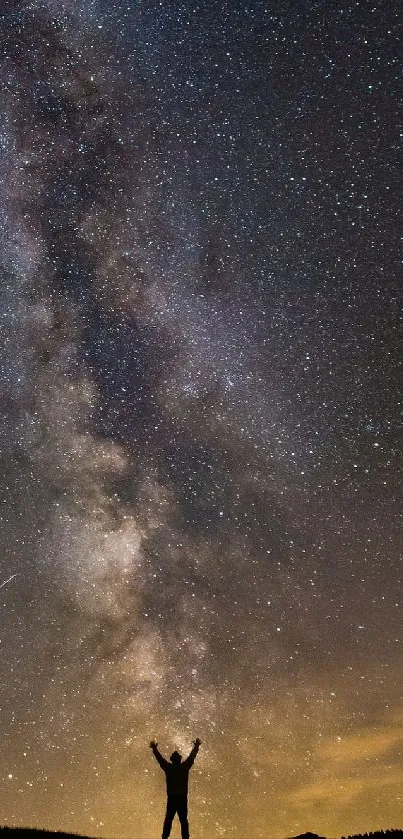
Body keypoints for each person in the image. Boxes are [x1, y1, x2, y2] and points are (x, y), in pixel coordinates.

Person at [150, 737, 201, 839]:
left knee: (169, 819)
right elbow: (191, 757)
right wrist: (196, 747)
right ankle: (184, 837)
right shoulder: (184, 767)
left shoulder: (169, 768)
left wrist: (155, 749)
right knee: (183, 820)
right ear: (179, 759)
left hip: (173, 797)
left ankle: (165, 837)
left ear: (172, 759)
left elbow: (160, 760)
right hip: (181, 797)